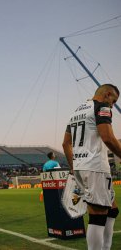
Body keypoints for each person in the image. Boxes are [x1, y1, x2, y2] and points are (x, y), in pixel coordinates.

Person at [62, 84, 121, 250]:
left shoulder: (76, 112)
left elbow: (66, 143)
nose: (112, 105)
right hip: (95, 167)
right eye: (113, 101)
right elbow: (108, 138)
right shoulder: (101, 107)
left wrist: (74, 167)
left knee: (112, 209)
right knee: (98, 215)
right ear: (107, 94)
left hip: (81, 167)